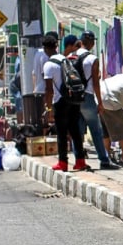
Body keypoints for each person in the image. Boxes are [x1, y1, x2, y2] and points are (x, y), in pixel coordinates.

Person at [44, 34, 91, 172]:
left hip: (60, 101)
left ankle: (63, 162)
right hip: (73, 98)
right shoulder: (65, 59)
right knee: (75, 131)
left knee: (62, 133)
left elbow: (49, 90)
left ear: (45, 49)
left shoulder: (49, 65)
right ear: (56, 46)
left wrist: (49, 108)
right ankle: (80, 161)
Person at [73, 31, 118, 170]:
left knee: (77, 131)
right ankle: (104, 160)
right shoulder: (92, 59)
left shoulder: (71, 56)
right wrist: (100, 102)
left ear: (81, 42)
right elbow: (95, 83)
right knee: (96, 130)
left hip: (73, 98)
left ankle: (79, 161)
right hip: (87, 97)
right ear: (92, 43)